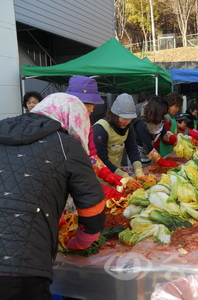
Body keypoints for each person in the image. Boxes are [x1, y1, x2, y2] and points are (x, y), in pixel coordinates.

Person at [0, 95, 105, 300]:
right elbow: (92, 207)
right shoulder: (67, 145)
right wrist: (81, 242)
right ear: (73, 120)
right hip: (20, 266)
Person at [65, 75, 131, 200]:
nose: (90, 112)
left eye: (92, 108)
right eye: (88, 107)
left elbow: (92, 156)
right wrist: (97, 186)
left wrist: (111, 177)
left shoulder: (85, 125)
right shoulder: (56, 125)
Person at [93, 93, 147, 180]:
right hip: (100, 175)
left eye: (130, 119)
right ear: (115, 114)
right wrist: (122, 174)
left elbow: (132, 149)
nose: (127, 121)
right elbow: (101, 159)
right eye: (125, 118)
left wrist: (138, 169)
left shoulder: (128, 127)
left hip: (115, 173)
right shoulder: (100, 129)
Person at [132, 94, 179, 168]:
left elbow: (164, 134)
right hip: (138, 155)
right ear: (157, 113)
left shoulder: (160, 119)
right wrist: (162, 161)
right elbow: (148, 148)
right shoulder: (141, 124)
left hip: (150, 153)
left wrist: (175, 138)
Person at [159, 91, 184, 157]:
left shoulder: (172, 116)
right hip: (162, 152)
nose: (177, 109)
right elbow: (164, 136)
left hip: (170, 150)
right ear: (169, 104)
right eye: (176, 107)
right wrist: (177, 140)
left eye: (179, 107)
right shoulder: (164, 117)